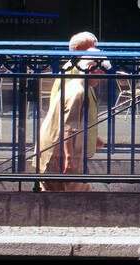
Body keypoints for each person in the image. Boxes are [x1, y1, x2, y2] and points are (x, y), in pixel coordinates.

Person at [35, 30, 111, 191]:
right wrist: (68, 158)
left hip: (66, 144)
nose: (93, 50)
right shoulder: (73, 75)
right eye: (91, 47)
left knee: (58, 190)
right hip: (61, 146)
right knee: (75, 189)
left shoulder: (79, 79)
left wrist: (92, 134)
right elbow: (67, 122)